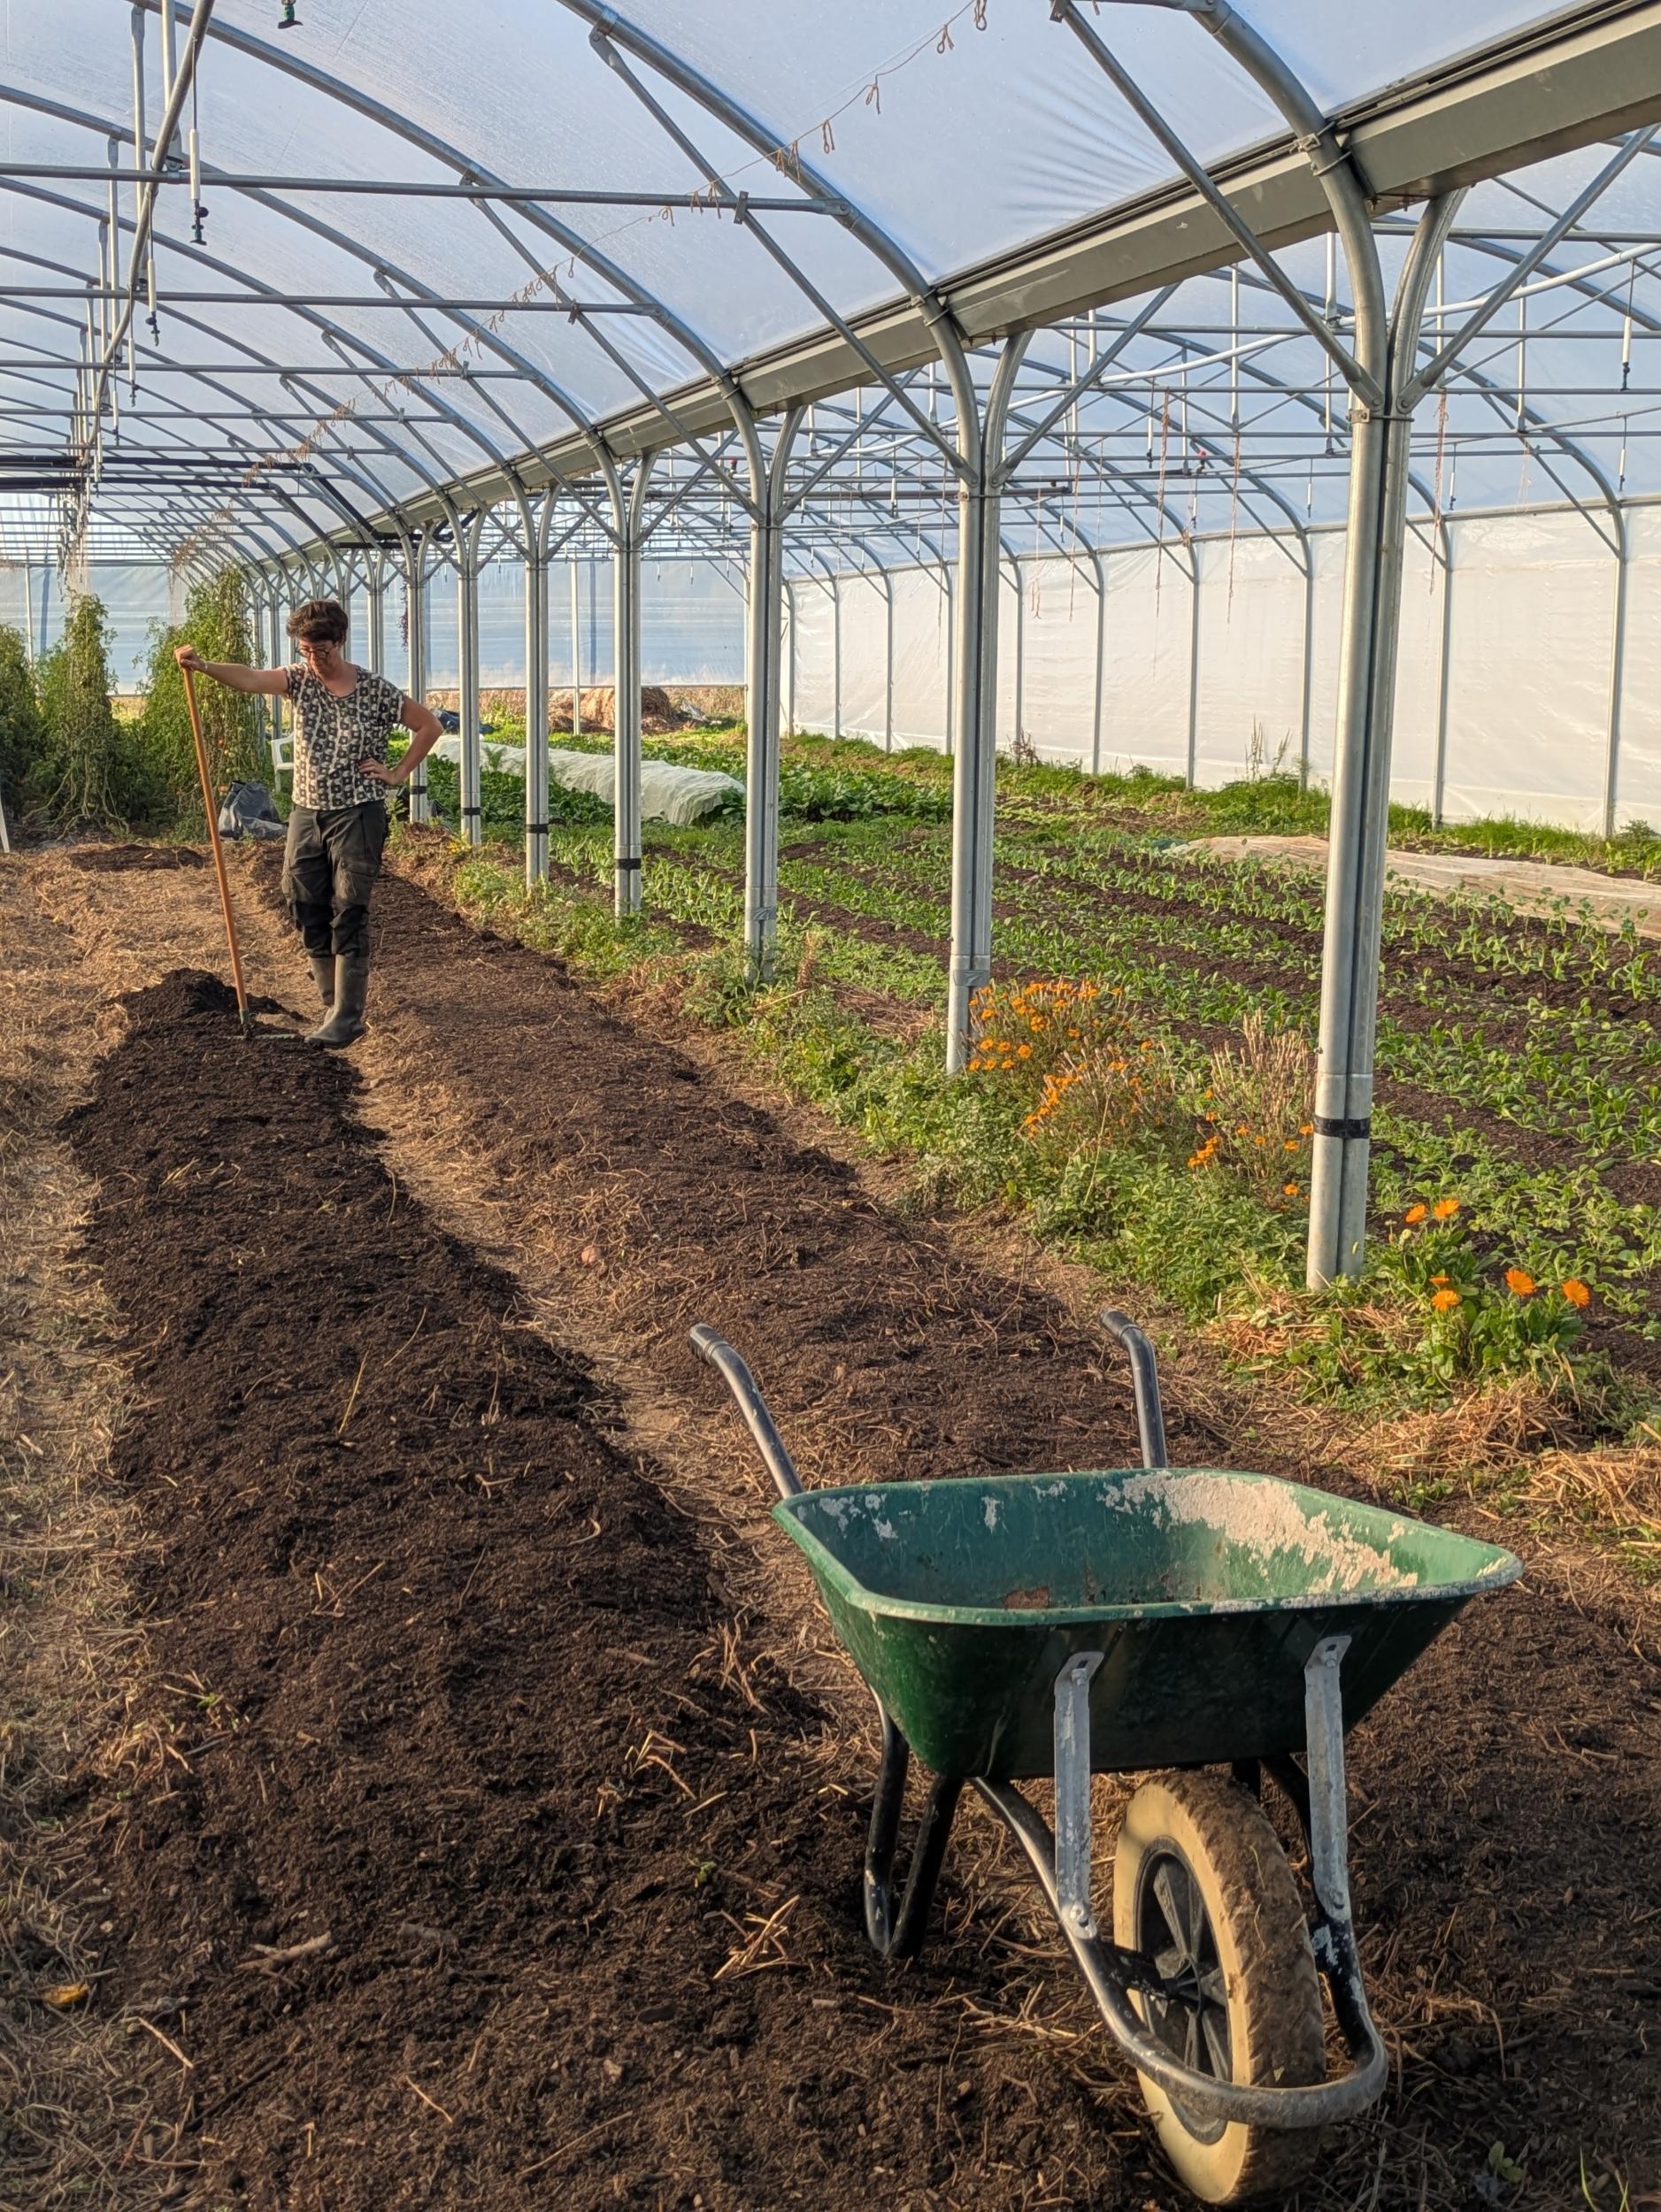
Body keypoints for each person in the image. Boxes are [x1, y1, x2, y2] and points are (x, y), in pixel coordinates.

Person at [175, 599, 442, 1048]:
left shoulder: (375, 690)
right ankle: (331, 998)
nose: (314, 659)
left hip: (358, 811)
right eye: (306, 650)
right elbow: (249, 678)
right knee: (301, 897)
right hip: (306, 810)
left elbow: (429, 726)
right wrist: (202, 666)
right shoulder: (298, 681)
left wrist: (396, 774)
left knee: (350, 904)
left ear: (339, 641)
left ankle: (347, 1016)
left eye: (322, 650)